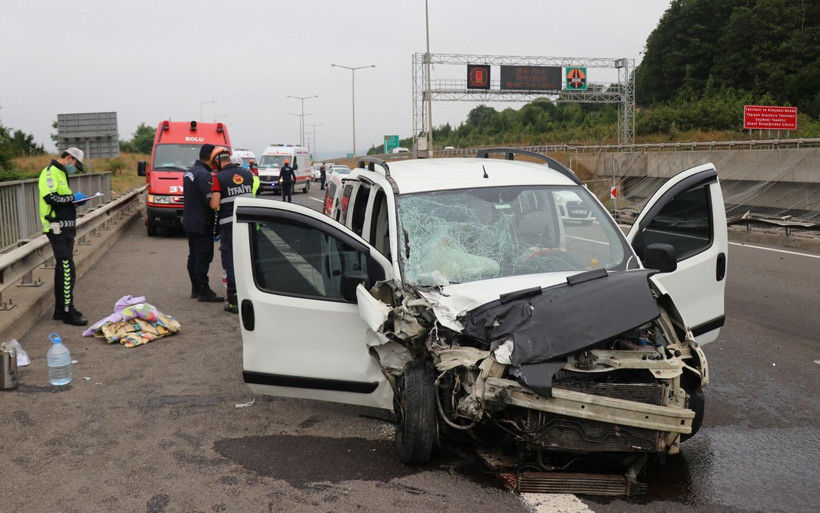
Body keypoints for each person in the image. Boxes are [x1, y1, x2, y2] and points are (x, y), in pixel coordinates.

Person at [38, 147, 88, 325]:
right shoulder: (50, 173)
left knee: (63, 269)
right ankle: (67, 311)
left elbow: (62, 200)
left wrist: (74, 202)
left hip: (65, 227)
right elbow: (51, 198)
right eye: (75, 164)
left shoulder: (60, 173)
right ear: (69, 158)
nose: (75, 168)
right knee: (67, 269)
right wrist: (72, 198)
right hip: (56, 227)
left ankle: (61, 309)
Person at [210, 148, 258, 313]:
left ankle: (233, 300)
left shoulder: (218, 178)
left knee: (230, 259)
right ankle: (252, 292)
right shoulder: (247, 175)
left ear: (217, 161)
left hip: (229, 225)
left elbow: (215, 205)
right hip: (248, 221)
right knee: (247, 257)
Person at [182, 143, 223, 303]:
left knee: (193, 255)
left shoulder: (190, 172)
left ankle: (196, 288)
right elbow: (210, 200)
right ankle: (204, 290)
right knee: (203, 256)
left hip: (189, 220)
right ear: (212, 158)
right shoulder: (205, 175)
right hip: (201, 221)